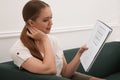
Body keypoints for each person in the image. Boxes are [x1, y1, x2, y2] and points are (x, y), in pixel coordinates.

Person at [10, 0, 105, 80]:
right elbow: (51, 70)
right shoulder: (18, 50)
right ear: (31, 22)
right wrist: (44, 39)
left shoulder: (54, 40)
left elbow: (65, 74)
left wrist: (79, 54)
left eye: (51, 18)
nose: (51, 23)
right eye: (46, 20)